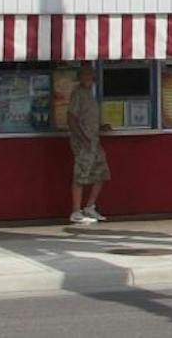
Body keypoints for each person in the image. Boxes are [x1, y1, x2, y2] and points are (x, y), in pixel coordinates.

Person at [68, 65, 110, 224]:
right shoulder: (78, 94)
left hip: (95, 141)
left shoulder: (90, 95)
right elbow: (71, 118)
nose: (89, 78)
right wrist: (82, 138)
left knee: (101, 172)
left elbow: (88, 118)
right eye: (86, 75)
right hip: (83, 142)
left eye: (91, 75)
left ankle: (90, 207)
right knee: (81, 175)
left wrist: (101, 127)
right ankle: (76, 211)